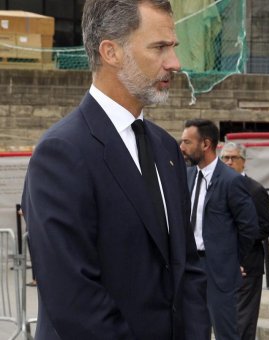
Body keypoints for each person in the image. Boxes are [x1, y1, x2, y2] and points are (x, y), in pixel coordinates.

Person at [20, 1, 210, 339]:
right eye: (160, 47)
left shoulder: (167, 148)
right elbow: (73, 298)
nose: (175, 63)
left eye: (173, 47)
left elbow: (188, 268)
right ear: (111, 52)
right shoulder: (61, 154)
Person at [180, 119, 258, 340]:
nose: (181, 147)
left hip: (219, 272)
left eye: (187, 141)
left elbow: (249, 227)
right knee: (194, 331)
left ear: (205, 144)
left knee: (226, 333)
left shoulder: (231, 180)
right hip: (190, 267)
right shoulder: (187, 175)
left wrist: (232, 260)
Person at [220, 142, 269, 340]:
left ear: (244, 162)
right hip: (220, 266)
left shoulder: (255, 190)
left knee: (244, 322)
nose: (229, 162)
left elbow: (266, 226)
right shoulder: (214, 186)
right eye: (225, 158)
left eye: (234, 158)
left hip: (248, 265)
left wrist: (238, 238)